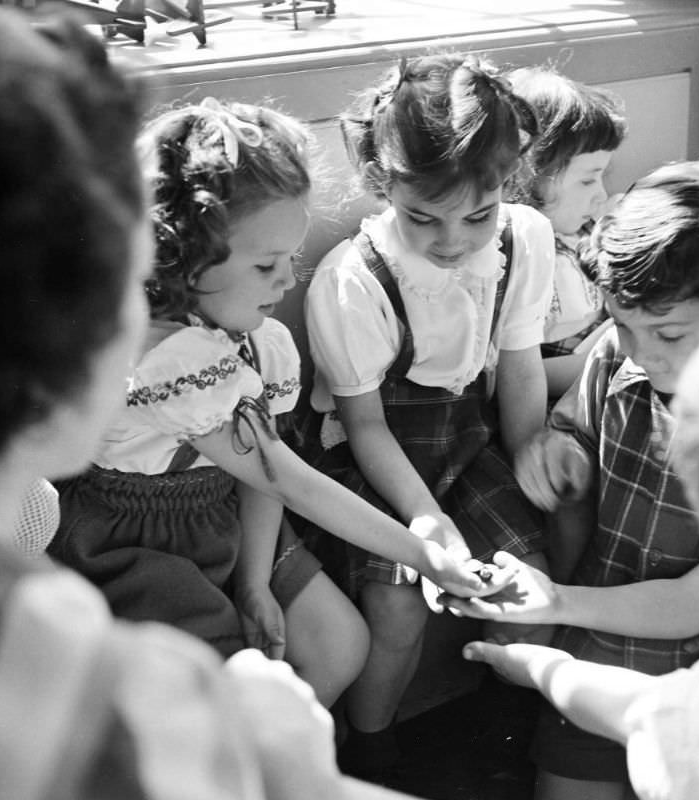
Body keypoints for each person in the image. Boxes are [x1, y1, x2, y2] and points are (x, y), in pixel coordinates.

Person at [0, 6, 428, 799]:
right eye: (124, 287)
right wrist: (278, 754)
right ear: (46, 330)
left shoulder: (15, 526)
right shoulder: (51, 660)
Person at [48, 96, 506, 708]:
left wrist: (255, 581)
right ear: (182, 257)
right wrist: (427, 557)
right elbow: (287, 478)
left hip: (225, 515)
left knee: (338, 645)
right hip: (137, 540)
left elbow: (265, 475)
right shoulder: (173, 359)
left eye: (290, 259)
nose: (288, 281)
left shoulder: (261, 343)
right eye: (266, 264)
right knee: (223, 688)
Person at [299, 52, 556, 776]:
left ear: (508, 185)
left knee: (526, 576)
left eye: (478, 214)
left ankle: (512, 728)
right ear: (383, 186)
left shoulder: (523, 240)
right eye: (423, 218)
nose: (451, 241)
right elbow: (366, 424)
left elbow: (521, 363)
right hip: (372, 455)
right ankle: (375, 752)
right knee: (397, 607)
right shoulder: (355, 280)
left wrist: (531, 445)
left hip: (466, 437)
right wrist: (426, 521)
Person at [443, 159, 699, 800]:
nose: (638, 350)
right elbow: (577, 426)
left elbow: (695, 604)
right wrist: (562, 450)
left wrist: (557, 604)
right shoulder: (618, 358)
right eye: (622, 324)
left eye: (669, 333)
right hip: (600, 650)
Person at [505, 65, 627, 399]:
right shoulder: (513, 256)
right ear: (528, 176)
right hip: (560, 380)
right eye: (588, 180)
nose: (600, 193)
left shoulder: (583, 230)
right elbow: (515, 374)